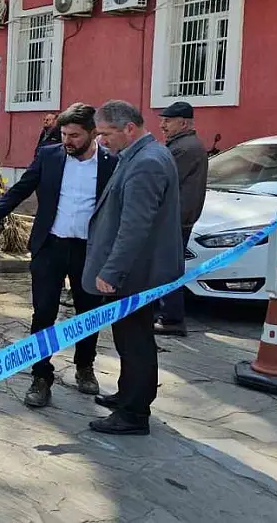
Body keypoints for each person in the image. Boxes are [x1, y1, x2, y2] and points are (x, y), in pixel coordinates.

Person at [0, 104, 117, 408]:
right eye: (64, 134)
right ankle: (40, 376)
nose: (68, 141)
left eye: (75, 135)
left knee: (87, 314)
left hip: (88, 251)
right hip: (50, 246)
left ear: (92, 133)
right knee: (43, 313)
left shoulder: (111, 163)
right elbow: (21, 189)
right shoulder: (49, 156)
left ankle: (84, 367)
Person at [84, 99, 183, 436]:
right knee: (128, 341)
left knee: (136, 341)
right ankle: (128, 395)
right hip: (137, 271)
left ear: (129, 128)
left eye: (105, 134)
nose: (101, 141)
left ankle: (133, 413)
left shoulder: (147, 163)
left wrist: (111, 272)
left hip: (135, 275)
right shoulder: (142, 155)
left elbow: (135, 227)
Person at [155, 101, 208, 337]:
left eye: (167, 121)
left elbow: (160, 179)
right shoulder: (184, 145)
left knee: (168, 268)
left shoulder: (184, 148)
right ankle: (164, 313)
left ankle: (172, 319)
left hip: (175, 219)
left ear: (183, 123)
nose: (162, 125)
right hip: (178, 217)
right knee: (165, 266)